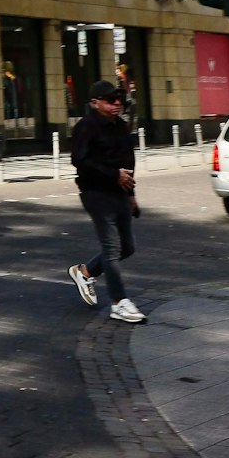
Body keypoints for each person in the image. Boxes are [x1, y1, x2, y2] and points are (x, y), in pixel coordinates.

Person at [67, 80, 143, 323]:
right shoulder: (86, 127)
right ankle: (119, 302)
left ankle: (85, 271)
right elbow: (79, 161)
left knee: (127, 247)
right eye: (111, 100)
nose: (117, 104)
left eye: (119, 99)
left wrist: (131, 193)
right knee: (111, 247)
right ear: (95, 103)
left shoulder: (121, 126)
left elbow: (128, 161)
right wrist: (113, 175)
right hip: (95, 193)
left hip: (119, 191)